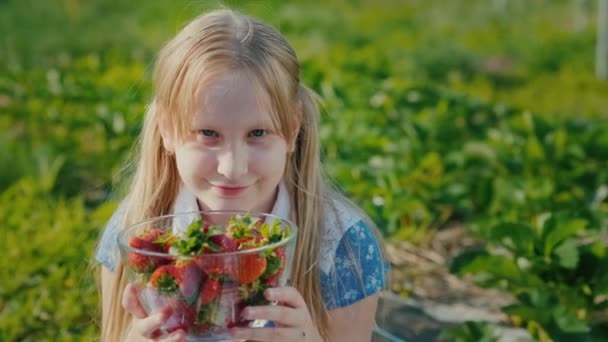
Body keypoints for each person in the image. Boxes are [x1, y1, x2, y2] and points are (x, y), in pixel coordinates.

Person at [95, 8, 388, 342]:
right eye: (208, 133)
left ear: (292, 130)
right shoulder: (137, 233)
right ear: (167, 130)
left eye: (258, 133)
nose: (232, 168)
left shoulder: (339, 247)